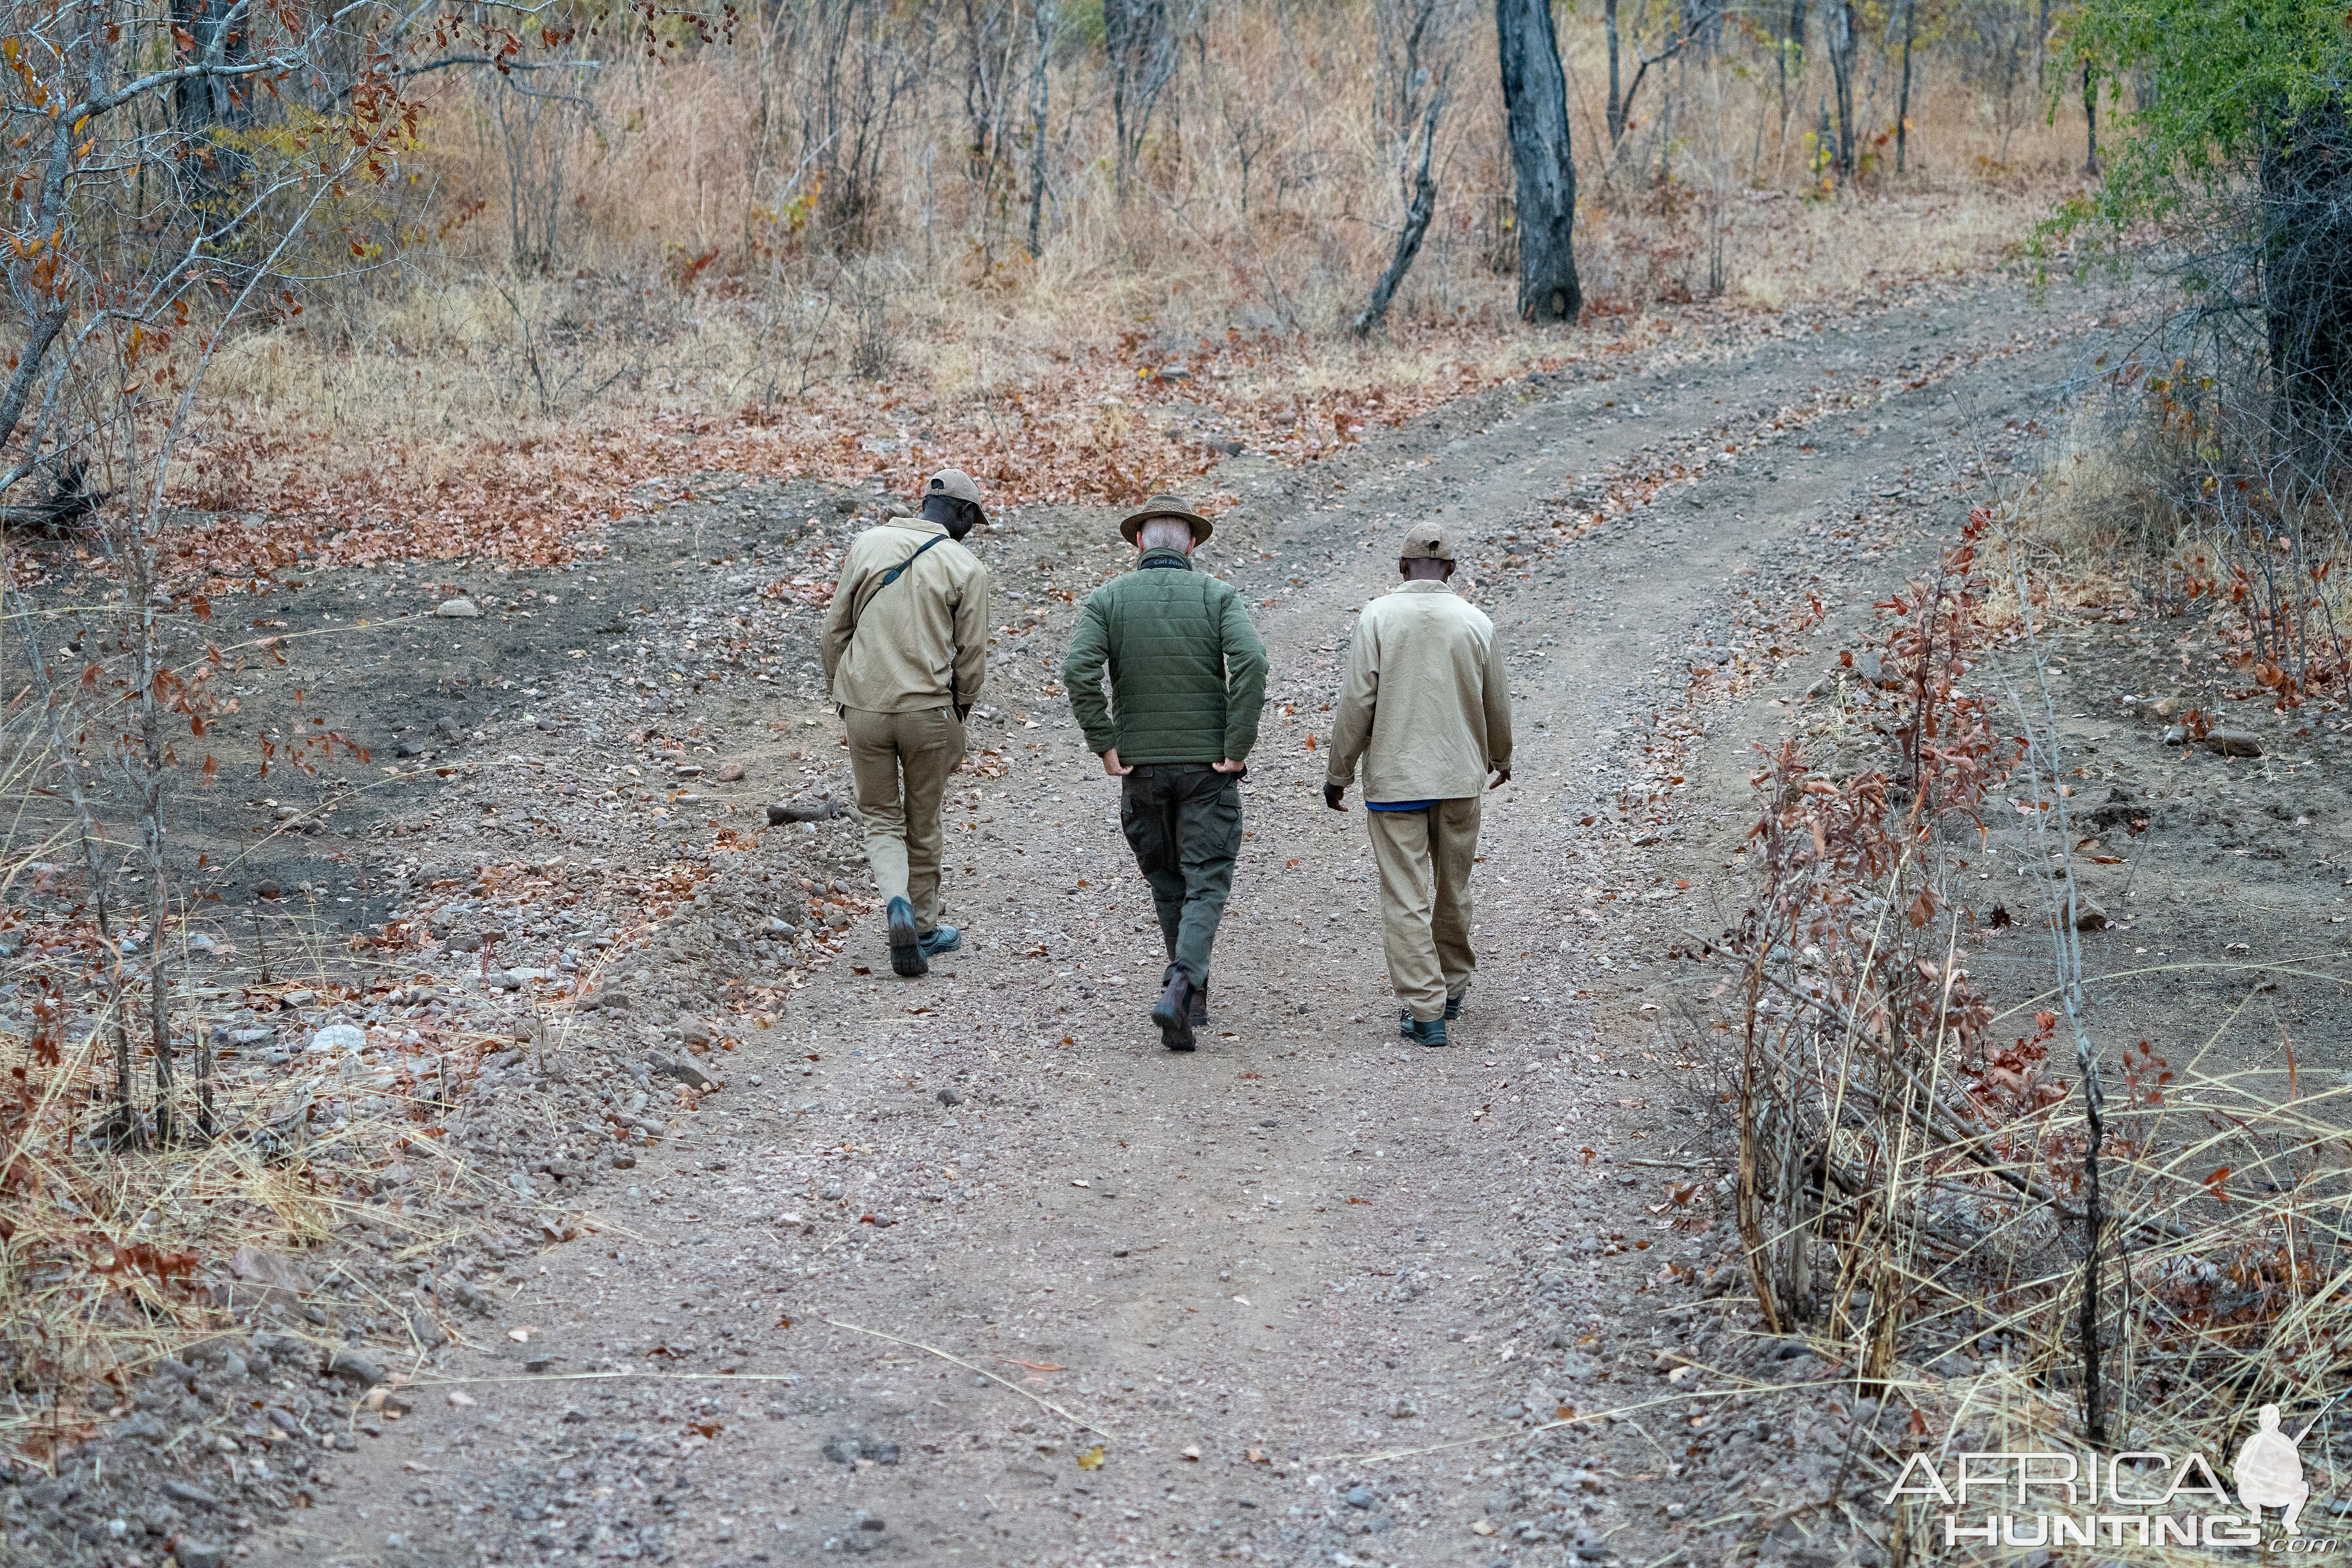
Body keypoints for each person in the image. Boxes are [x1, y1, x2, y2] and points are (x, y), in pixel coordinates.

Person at [1062, 495, 1268, 1051]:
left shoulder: (1108, 600)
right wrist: (1237, 744)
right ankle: (1183, 986)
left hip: (1142, 769)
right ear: (1193, 545)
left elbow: (1077, 671)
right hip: (1208, 767)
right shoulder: (1216, 596)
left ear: (1138, 543)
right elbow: (1253, 662)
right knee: (1207, 878)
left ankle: (1189, 991)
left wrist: (1104, 745)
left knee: (1166, 877)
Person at [1322, 520, 1512, 1047]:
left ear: (1402, 567)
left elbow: (1358, 700)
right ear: (1451, 569)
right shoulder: (1477, 622)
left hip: (1395, 782)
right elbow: (1496, 699)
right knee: (1454, 886)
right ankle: (1452, 986)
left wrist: (1339, 771)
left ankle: (1425, 1011)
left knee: (1405, 893)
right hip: (1458, 778)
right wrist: (1502, 756)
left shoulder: (1378, 617)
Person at [821, 469, 992, 979]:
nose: (972, 529)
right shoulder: (965, 566)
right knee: (924, 819)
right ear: (962, 514)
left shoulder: (868, 544)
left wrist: (845, 697)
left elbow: (834, 632)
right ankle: (921, 928)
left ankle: (894, 902)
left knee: (879, 816)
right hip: (929, 714)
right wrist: (959, 709)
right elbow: (972, 656)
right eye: (973, 520)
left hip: (866, 711)